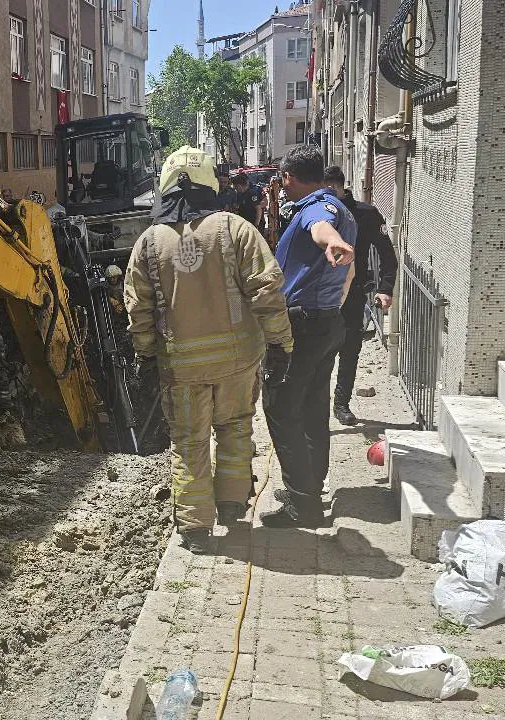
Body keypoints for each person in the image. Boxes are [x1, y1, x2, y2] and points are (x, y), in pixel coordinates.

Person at [125, 146, 293, 554]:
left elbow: (138, 307)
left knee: (188, 442)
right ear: (210, 183)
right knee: (235, 428)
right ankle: (233, 504)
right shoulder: (235, 230)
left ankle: (196, 528)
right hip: (237, 362)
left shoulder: (149, 242)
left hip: (181, 368)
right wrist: (280, 344)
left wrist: (145, 355)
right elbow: (267, 289)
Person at [261, 146, 357, 528]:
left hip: (303, 327)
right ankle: (309, 486)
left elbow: (320, 228)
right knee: (313, 409)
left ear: (289, 177)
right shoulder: (340, 205)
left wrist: (330, 241)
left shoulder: (317, 210)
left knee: (280, 408)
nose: (282, 189)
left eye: (283, 181)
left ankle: (303, 504)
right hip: (326, 322)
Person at [323, 166, 399, 426]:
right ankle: (316, 406)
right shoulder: (316, 214)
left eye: (333, 188)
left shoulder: (365, 215)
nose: (329, 193)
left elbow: (388, 255)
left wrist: (385, 289)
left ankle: (341, 403)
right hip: (320, 296)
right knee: (319, 352)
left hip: (353, 294)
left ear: (342, 187)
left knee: (350, 349)